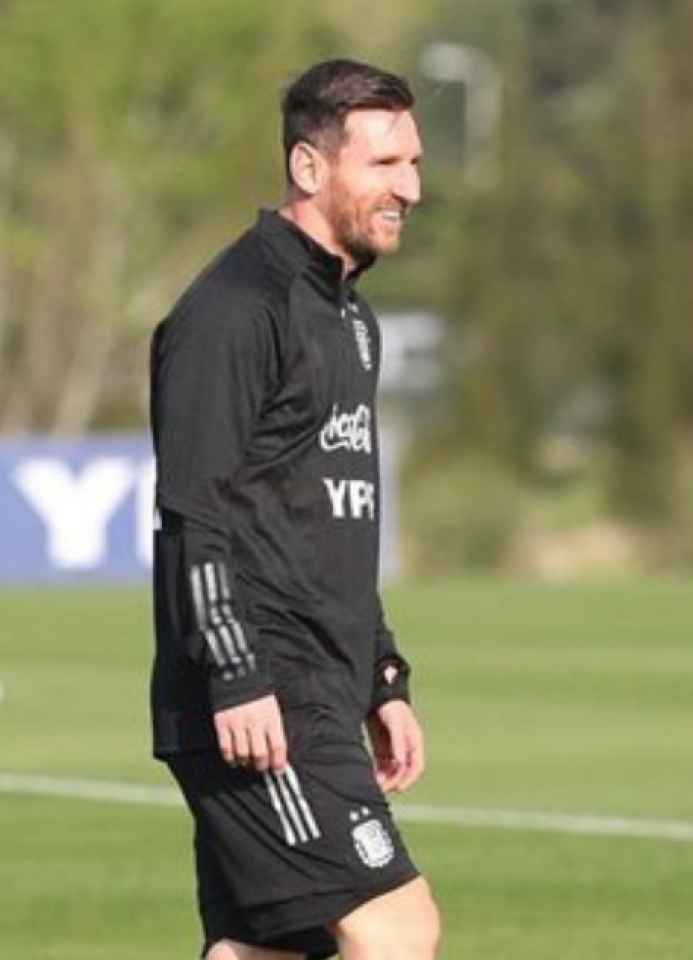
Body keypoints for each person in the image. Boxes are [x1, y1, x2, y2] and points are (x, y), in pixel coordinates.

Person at [149, 58, 439, 960]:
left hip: (321, 682)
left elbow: (331, 520)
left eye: (414, 164)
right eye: (384, 166)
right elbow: (196, 510)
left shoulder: (351, 320)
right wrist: (236, 675)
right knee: (396, 926)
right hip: (261, 693)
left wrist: (380, 674)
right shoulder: (235, 310)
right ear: (310, 169)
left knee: (270, 951)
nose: (411, 189)